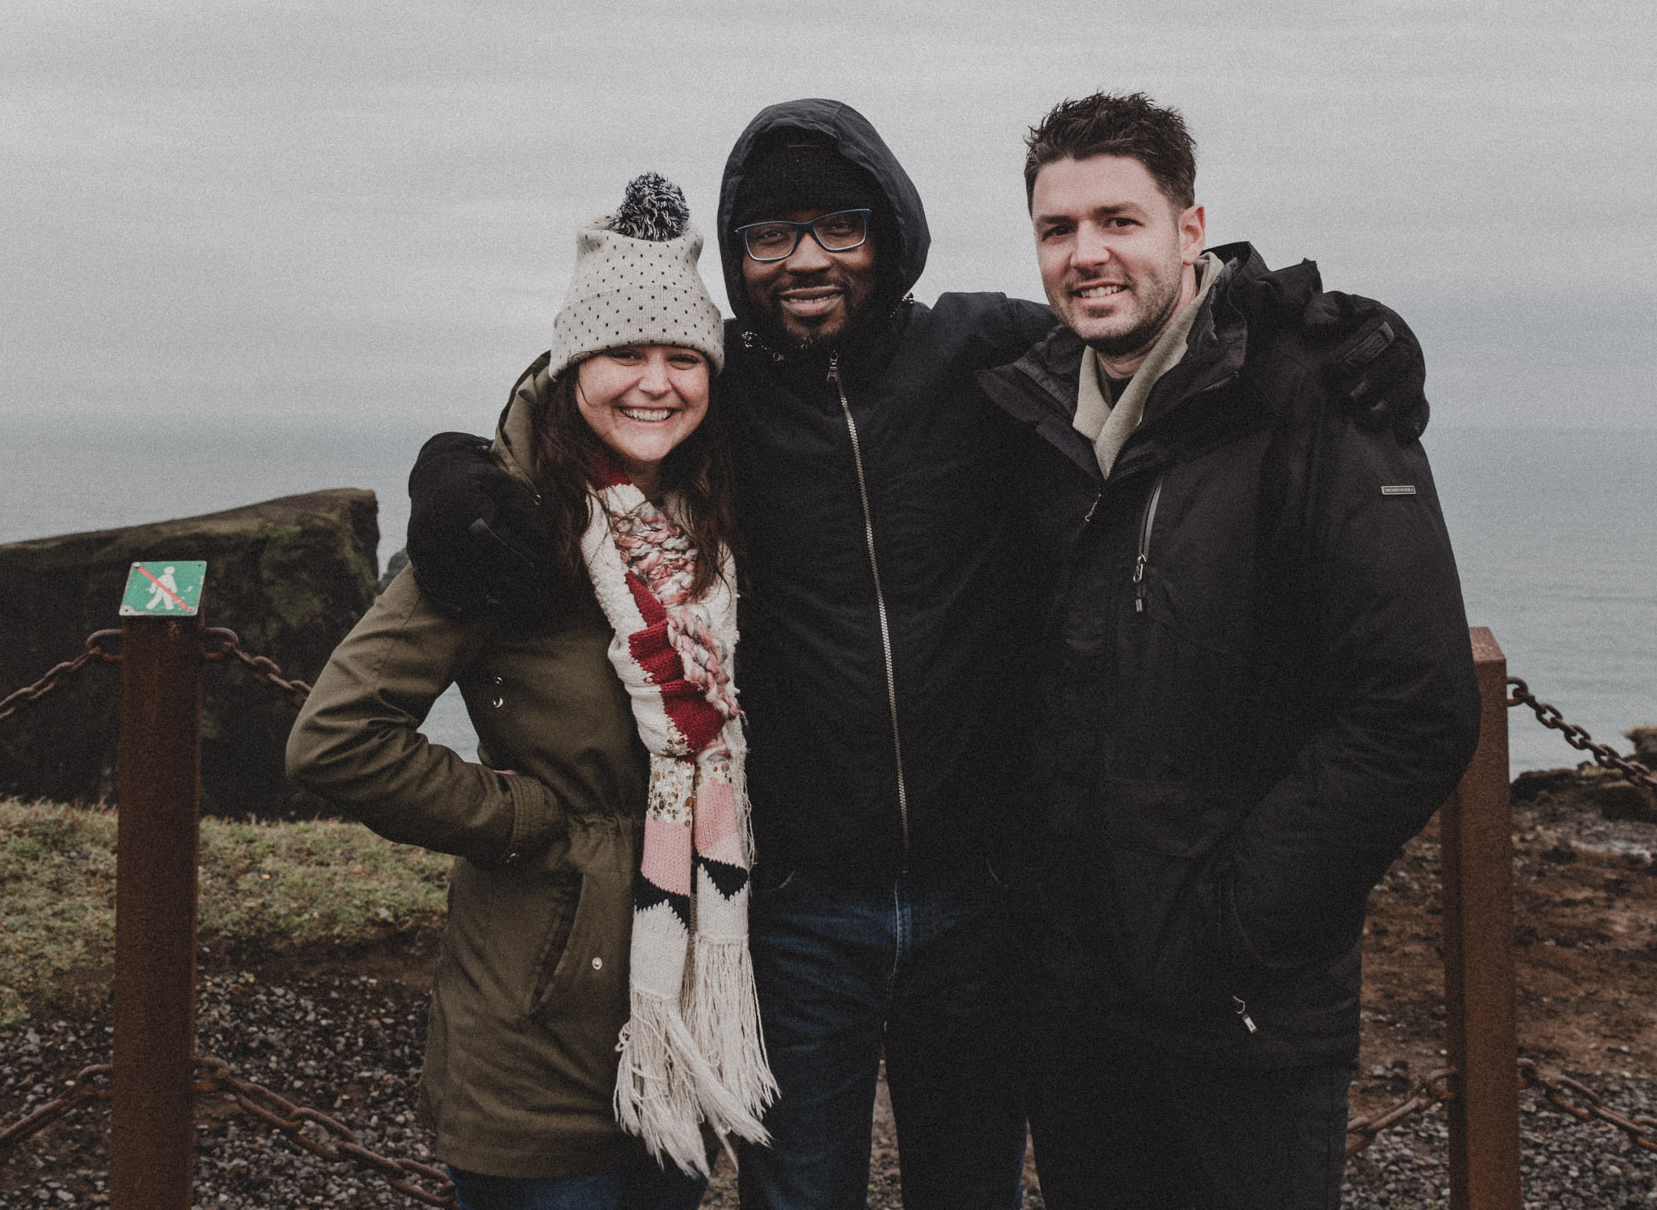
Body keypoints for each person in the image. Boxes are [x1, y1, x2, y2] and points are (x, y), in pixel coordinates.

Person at [403, 101, 1432, 1210]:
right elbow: (592, 380)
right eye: (767, 234)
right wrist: (454, 460)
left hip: (982, 896)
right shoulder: (721, 398)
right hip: (798, 899)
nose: (805, 259)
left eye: (839, 226)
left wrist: (1331, 324)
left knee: (971, 1185)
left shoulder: (984, 353)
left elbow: (1167, 334)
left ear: (890, 232)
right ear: (738, 258)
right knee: (799, 1193)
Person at [976, 94, 1479, 1210]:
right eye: (1057, 229)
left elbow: (1415, 708)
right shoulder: (1034, 419)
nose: (1086, 253)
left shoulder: (1321, 397)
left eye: (1119, 218)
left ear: (1190, 229)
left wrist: (1232, 925)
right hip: (1080, 1001)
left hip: (1243, 1007)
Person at [287, 173, 771, 1210]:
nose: (655, 382)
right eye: (622, 353)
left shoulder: (708, 523)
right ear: (568, 367)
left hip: (684, 1005)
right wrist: (535, 824)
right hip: (536, 1025)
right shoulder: (503, 527)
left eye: (682, 356)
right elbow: (337, 735)